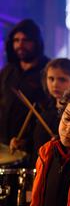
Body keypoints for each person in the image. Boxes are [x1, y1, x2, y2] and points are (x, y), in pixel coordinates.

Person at [10, 58, 70, 165]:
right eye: (51, 78)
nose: (55, 84)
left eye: (62, 79)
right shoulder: (44, 109)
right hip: (36, 168)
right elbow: (37, 142)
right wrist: (22, 144)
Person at [0, 19, 49, 151]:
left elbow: (50, 111)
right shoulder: (8, 70)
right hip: (4, 144)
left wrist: (28, 141)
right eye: (16, 40)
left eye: (26, 40)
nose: (20, 45)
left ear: (36, 42)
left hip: (32, 148)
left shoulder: (48, 71)